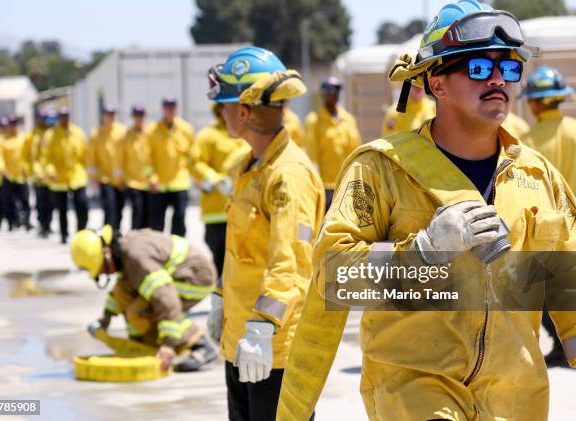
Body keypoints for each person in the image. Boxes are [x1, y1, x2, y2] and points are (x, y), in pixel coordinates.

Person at [278, 1, 576, 420]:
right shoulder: (380, 170)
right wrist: (422, 253)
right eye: (478, 68)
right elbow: (333, 276)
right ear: (437, 84)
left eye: (508, 69)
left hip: (516, 396)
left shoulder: (537, 175)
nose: (497, 81)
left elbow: (568, 278)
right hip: (413, 388)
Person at [206, 46, 325, 421]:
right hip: (243, 341)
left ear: (242, 111)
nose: (220, 114)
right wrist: (219, 297)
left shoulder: (287, 174)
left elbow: (291, 261)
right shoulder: (250, 168)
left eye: (222, 106)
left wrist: (261, 329)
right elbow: (243, 250)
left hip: (274, 350)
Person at [71, 225, 218, 372]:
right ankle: (144, 344)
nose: (103, 273)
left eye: (101, 269)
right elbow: (122, 290)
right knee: (127, 295)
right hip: (179, 275)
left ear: (107, 255)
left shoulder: (137, 258)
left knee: (142, 310)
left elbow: (166, 300)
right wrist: (105, 318)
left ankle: (200, 345)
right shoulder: (125, 252)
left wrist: (168, 346)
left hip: (195, 278)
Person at [521, 65, 576, 367]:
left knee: (542, 295)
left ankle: (560, 346)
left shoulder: (525, 142)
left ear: (537, 102)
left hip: (544, 232)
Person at [188, 103, 248, 274]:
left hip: (242, 208)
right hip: (216, 210)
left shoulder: (244, 133)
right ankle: (220, 297)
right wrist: (214, 179)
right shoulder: (208, 135)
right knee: (220, 258)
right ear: (220, 110)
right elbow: (194, 162)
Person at [305, 77, 361, 210]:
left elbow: (356, 150)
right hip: (325, 185)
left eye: (336, 91)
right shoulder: (314, 121)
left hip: (347, 182)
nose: (333, 94)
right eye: (329, 91)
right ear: (323, 94)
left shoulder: (348, 119)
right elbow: (312, 154)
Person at [147, 97, 194, 235]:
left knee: (179, 221)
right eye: (167, 106)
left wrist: (195, 177)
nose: (170, 109)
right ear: (163, 108)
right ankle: (158, 251)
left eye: (172, 106)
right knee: (156, 223)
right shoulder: (152, 130)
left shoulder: (186, 129)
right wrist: (151, 178)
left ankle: (178, 252)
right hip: (159, 184)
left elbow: (192, 156)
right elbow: (146, 160)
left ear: (176, 108)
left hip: (180, 183)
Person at [43, 107, 89, 243]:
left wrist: (89, 172)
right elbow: (45, 158)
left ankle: (81, 233)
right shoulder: (50, 135)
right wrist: (50, 171)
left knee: (82, 204)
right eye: (62, 116)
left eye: (66, 116)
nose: (64, 119)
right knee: (62, 209)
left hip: (77, 175)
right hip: (58, 177)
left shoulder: (78, 133)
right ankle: (64, 234)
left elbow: (85, 155)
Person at [87, 105, 127, 232]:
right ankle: (108, 235)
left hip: (121, 180)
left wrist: (126, 178)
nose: (110, 117)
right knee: (109, 208)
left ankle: (116, 233)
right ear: (102, 116)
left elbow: (128, 155)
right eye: (107, 114)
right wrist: (93, 178)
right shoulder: (96, 133)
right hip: (105, 179)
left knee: (119, 209)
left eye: (112, 114)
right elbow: (91, 158)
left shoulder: (123, 131)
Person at [0, 115, 32, 231]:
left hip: (21, 175)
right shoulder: (2, 140)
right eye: (11, 124)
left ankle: (26, 221)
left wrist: (28, 169)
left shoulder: (23, 138)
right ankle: (11, 222)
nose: (13, 127)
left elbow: (28, 155)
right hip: (8, 176)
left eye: (15, 124)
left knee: (25, 200)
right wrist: (2, 168)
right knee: (8, 201)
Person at [117, 104, 152, 229]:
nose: (139, 118)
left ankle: (145, 239)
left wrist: (153, 177)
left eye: (141, 115)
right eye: (136, 115)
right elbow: (121, 159)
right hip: (132, 181)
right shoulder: (127, 135)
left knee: (148, 213)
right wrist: (121, 178)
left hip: (148, 180)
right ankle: (135, 237)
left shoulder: (150, 133)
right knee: (137, 209)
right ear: (133, 117)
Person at [23, 110, 53, 237]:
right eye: (41, 119)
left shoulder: (52, 134)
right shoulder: (32, 136)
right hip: (38, 174)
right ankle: (42, 224)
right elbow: (27, 156)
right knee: (41, 201)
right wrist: (29, 171)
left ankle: (48, 224)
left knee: (51, 202)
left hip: (51, 175)